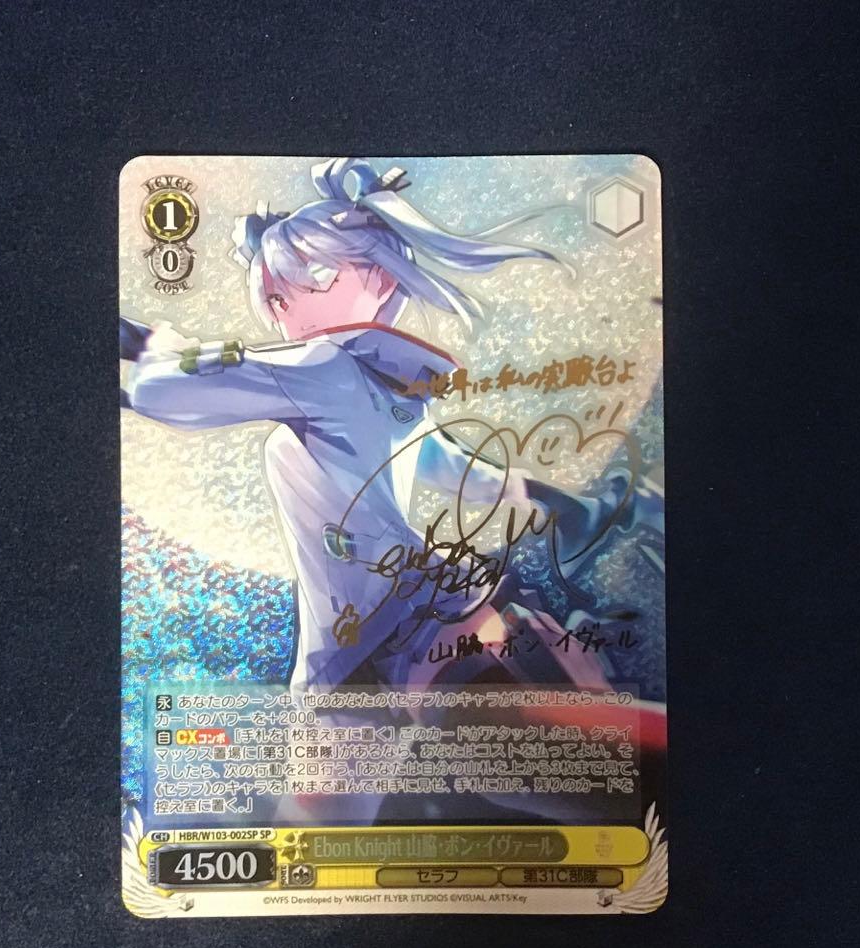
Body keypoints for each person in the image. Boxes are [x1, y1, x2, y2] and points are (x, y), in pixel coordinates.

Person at [120, 157, 661, 700]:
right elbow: (449, 467)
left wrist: (162, 351)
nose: (289, 314)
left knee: (562, 740)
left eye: (317, 280)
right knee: (570, 733)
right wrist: (557, 503)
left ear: (379, 278)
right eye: (277, 299)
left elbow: (164, 391)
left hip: (381, 633)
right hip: (408, 616)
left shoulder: (325, 365)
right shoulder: (386, 383)